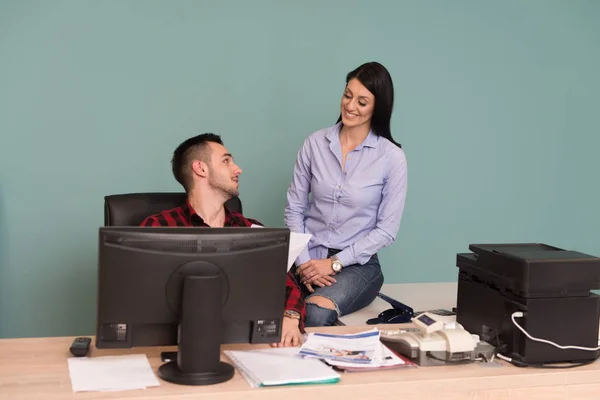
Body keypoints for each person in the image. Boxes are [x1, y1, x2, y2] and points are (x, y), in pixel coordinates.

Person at [141, 133, 305, 347]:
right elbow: (141, 298)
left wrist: (290, 318)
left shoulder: (251, 230)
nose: (238, 169)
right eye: (226, 161)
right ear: (200, 168)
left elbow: (289, 287)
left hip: (245, 345)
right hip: (176, 347)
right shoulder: (158, 227)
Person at [285, 61, 408, 327]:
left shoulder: (391, 157)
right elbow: (294, 209)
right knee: (260, 307)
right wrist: (305, 264)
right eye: (347, 95)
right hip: (306, 256)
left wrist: (334, 263)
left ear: (378, 107)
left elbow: (386, 230)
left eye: (362, 102)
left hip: (356, 264)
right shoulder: (315, 143)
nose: (350, 106)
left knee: (314, 315)